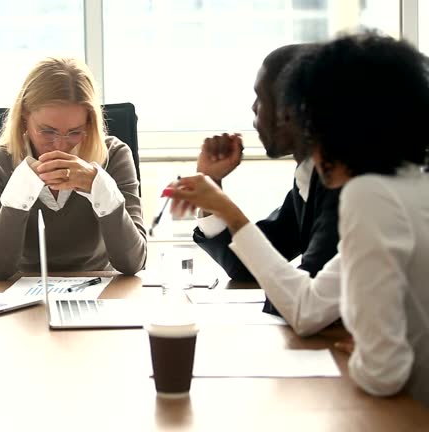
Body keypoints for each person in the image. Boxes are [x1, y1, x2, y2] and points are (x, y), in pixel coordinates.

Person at [166, 33, 429, 405]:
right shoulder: (408, 187)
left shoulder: (368, 197)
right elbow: (308, 310)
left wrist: (365, 353)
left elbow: (383, 374)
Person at [190, 43, 340, 317]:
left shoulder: (343, 187)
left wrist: (225, 207)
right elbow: (245, 266)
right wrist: (211, 182)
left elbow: (303, 303)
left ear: (291, 112)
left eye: (261, 98)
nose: (253, 108)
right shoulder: (310, 177)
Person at [0, 57, 146, 280]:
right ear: (25, 115)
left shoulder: (115, 156)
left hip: (99, 291)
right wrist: (21, 190)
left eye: (74, 132)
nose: (61, 145)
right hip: (22, 298)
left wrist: (99, 187)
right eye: (47, 131)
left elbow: (133, 263)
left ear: (89, 123)